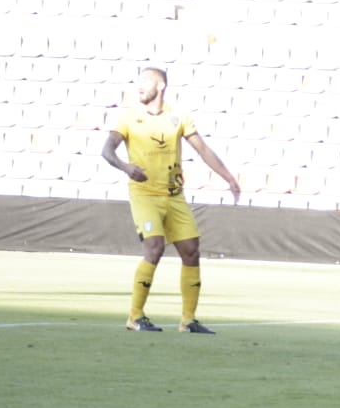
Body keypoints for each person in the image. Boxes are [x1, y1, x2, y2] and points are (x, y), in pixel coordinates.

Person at [101, 66, 241, 334]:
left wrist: (229, 178)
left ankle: (188, 321)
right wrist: (125, 166)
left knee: (191, 252)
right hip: (145, 195)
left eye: (145, 81)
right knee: (154, 248)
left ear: (161, 86)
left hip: (174, 196)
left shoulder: (178, 117)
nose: (139, 86)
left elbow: (203, 150)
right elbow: (107, 150)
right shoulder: (129, 118)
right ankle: (135, 316)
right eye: (138, 80)